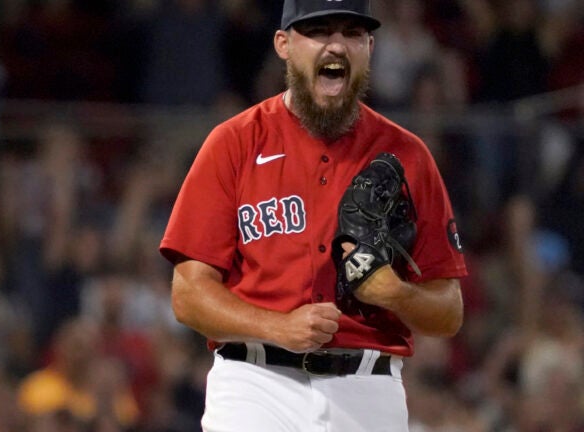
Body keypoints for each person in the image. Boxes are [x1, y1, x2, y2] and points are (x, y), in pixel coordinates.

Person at [158, 1, 467, 431]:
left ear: (370, 46)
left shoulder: (407, 157)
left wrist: (396, 294)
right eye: (319, 30)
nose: (337, 44)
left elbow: (449, 311)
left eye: (352, 33)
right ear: (283, 44)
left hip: (368, 391)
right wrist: (278, 327)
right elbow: (188, 295)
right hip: (256, 382)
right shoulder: (234, 143)